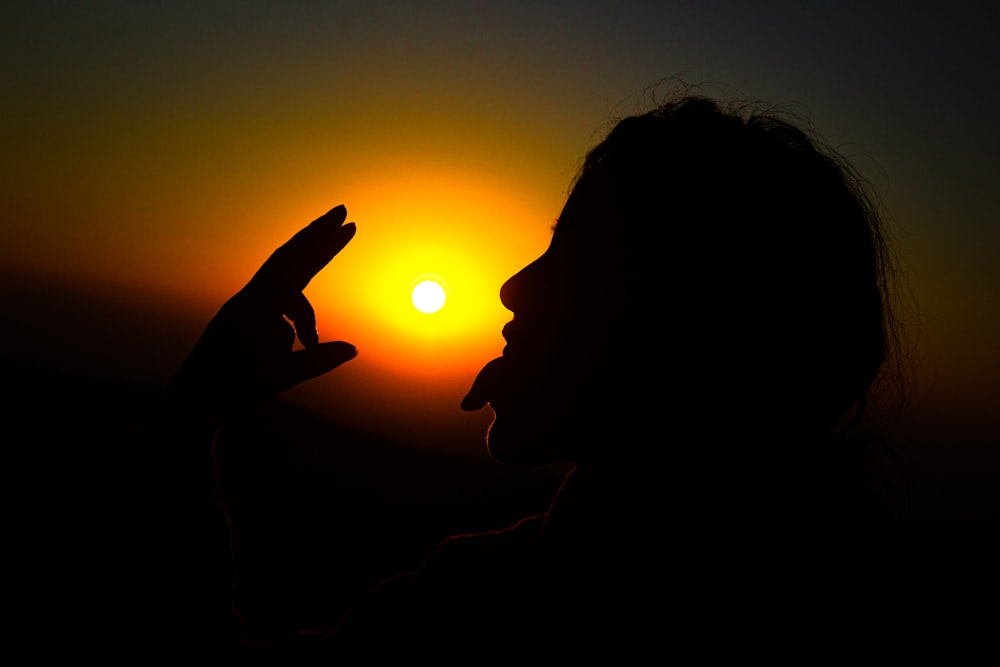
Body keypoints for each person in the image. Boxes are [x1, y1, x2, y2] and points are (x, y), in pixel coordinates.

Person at [116, 94, 910, 653]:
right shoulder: (854, 579)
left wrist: (188, 422)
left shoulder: (489, 611)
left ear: (689, 331)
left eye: (577, 258)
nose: (515, 287)